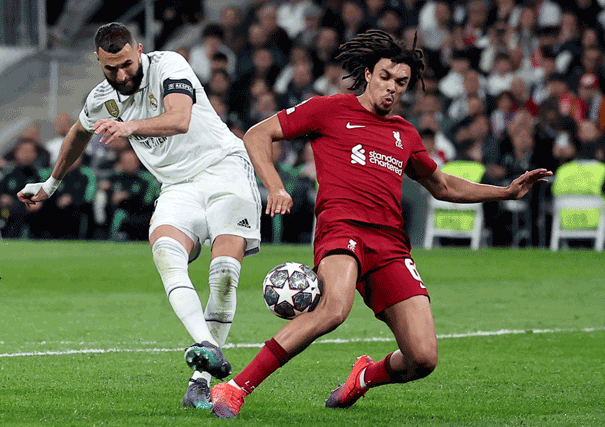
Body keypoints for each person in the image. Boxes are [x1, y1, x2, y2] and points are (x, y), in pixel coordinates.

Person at [210, 29, 552, 418]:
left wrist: (505, 192)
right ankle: (234, 388)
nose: (392, 88)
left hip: (390, 245)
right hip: (342, 227)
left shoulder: (404, 133)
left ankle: (364, 377)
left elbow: (441, 185)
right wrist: (275, 186)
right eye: (386, 77)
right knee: (333, 308)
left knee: (422, 358)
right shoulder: (329, 109)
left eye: (401, 82)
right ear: (369, 73)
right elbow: (258, 134)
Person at [16, 22, 262, 409]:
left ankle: (199, 380)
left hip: (224, 169)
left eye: (127, 64)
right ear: (98, 61)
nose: (122, 74)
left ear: (140, 50)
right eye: (111, 68)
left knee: (225, 273)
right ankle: (205, 345)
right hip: (178, 186)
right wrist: (51, 183)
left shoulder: (169, 67)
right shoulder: (102, 97)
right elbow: (78, 134)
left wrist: (128, 126)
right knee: (165, 250)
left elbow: (179, 119)